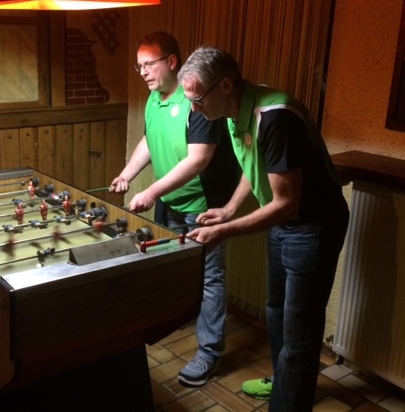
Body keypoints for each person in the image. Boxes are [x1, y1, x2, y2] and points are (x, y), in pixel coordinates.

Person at [178, 46, 349, 411]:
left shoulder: (274, 117)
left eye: (197, 99)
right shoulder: (232, 110)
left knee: (300, 331)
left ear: (225, 85)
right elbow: (255, 163)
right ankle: (283, 381)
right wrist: (229, 209)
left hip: (313, 226)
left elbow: (287, 202)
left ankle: (290, 401)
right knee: (276, 312)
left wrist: (223, 232)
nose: (194, 109)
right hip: (285, 223)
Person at [110, 31, 239, 386]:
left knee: (210, 278)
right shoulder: (154, 98)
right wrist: (127, 174)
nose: (143, 72)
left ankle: (209, 353)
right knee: (167, 266)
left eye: (148, 64)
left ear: (171, 62)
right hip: (170, 203)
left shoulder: (197, 97)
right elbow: (149, 140)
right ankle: (173, 321)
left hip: (202, 207)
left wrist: (151, 191)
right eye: (138, 66)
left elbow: (199, 159)